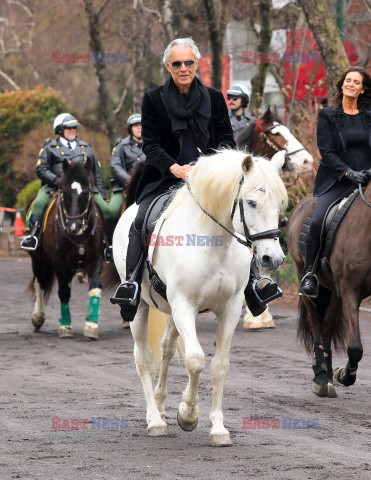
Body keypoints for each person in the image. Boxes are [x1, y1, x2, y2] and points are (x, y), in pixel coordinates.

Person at [110, 37, 236, 321]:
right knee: (140, 220)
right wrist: (174, 168)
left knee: (240, 216)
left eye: (188, 62)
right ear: (168, 65)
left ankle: (254, 283)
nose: (183, 68)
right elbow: (150, 145)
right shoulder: (152, 99)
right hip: (164, 178)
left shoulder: (215, 98)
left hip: (209, 181)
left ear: (196, 64)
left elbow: (227, 140)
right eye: (177, 63)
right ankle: (130, 283)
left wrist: (211, 169)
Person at [300, 66, 371, 297]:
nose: (351, 84)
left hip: (368, 180)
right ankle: (310, 274)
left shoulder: (369, 114)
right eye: (348, 80)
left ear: (363, 89)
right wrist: (349, 173)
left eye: (356, 82)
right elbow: (327, 153)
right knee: (318, 220)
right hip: (338, 181)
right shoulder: (328, 115)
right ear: (342, 85)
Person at [21, 113, 107, 251]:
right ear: (60, 130)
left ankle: (106, 242)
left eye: (74, 127)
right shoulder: (49, 148)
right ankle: (33, 237)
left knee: (106, 209)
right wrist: (58, 181)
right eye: (69, 128)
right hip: (55, 186)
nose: (73, 130)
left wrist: (101, 194)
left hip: (83, 189)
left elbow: (97, 173)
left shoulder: (86, 148)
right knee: (37, 204)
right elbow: (41, 169)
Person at [104, 114, 146, 261]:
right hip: (125, 188)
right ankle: (109, 246)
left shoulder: (153, 143)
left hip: (148, 187)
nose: (139, 128)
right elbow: (115, 167)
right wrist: (130, 181)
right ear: (130, 129)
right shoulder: (121, 146)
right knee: (111, 210)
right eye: (136, 126)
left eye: (141, 125)